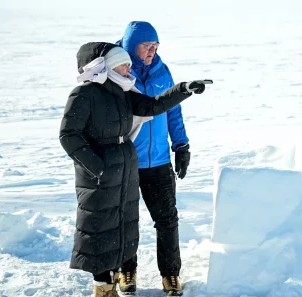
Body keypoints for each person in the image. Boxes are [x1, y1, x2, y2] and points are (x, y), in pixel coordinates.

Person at [59, 42, 209, 297]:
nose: (129, 67)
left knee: (121, 224)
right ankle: (103, 287)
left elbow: (153, 106)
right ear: (105, 66)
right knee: (99, 224)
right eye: (123, 63)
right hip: (100, 172)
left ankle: (115, 278)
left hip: (124, 166)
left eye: (128, 62)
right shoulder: (84, 94)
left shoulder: (123, 91)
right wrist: (98, 167)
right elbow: (68, 135)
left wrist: (183, 89)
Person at [115, 21, 192, 296]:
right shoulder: (118, 71)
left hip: (159, 161)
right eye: (147, 45)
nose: (152, 50)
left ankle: (170, 274)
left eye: (156, 46)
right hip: (126, 160)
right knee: (126, 220)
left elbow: (173, 111)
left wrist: (181, 145)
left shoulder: (162, 70)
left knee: (167, 220)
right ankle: (126, 271)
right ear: (131, 45)